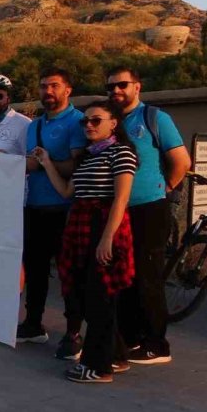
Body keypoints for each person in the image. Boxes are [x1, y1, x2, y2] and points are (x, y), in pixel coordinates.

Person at [36, 100, 137, 383]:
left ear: (113, 123)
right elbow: (68, 191)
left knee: (99, 297)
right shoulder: (89, 156)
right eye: (85, 121)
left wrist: (106, 239)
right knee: (87, 293)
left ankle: (97, 366)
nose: (89, 126)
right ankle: (115, 355)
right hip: (80, 224)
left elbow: (120, 198)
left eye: (96, 120)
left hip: (104, 225)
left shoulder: (121, 152)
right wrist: (46, 163)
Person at [107, 66, 191, 365]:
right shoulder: (114, 122)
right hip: (120, 210)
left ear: (137, 87)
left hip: (150, 208)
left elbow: (181, 160)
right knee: (126, 277)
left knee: (148, 276)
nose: (116, 91)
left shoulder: (154, 119)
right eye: (111, 87)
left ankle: (157, 344)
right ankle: (131, 338)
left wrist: (165, 187)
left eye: (122, 85)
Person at [20, 68, 88, 352]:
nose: (48, 92)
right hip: (35, 207)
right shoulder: (33, 126)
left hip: (65, 209)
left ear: (68, 90)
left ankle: (73, 333)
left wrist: (44, 164)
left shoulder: (78, 122)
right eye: (43, 86)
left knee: (68, 273)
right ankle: (33, 323)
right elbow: (25, 163)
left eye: (55, 86)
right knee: (35, 271)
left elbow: (76, 166)